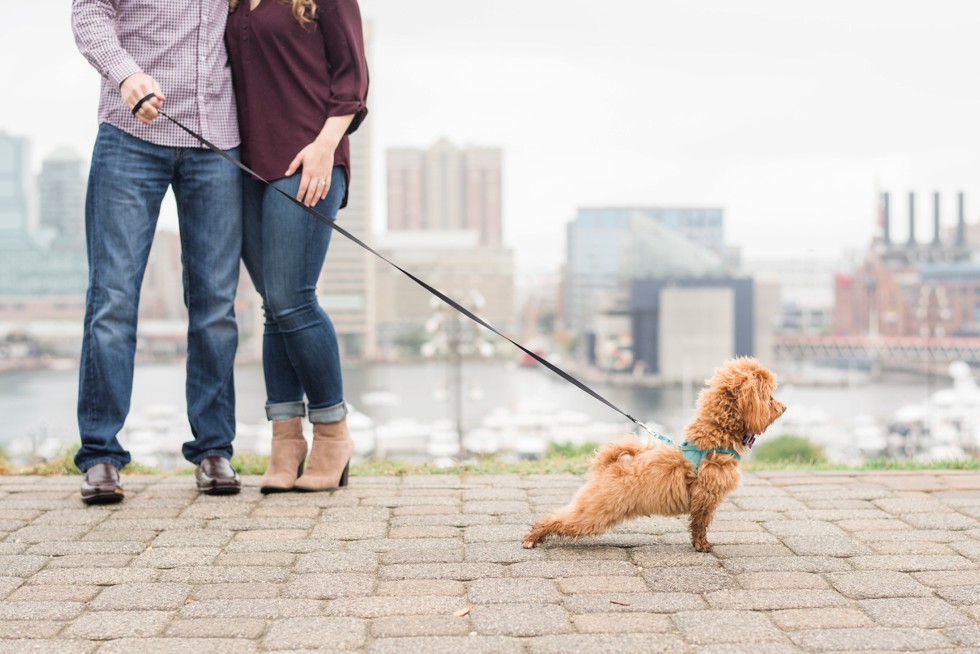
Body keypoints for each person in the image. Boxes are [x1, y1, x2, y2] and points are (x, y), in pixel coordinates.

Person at [72, 0, 244, 504]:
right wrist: (125, 75)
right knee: (113, 299)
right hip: (130, 136)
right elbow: (89, 13)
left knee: (215, 303)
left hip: (215, 139)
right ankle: (101, 455)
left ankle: (214, 450)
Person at [224, 0, 368, 493]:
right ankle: (286, 441)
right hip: (245, 167)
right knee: (273, 308)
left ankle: (332, 435)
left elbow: (353, 80)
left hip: (309, 159)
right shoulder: (233, 4)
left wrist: (325, 148)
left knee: (292, 298)